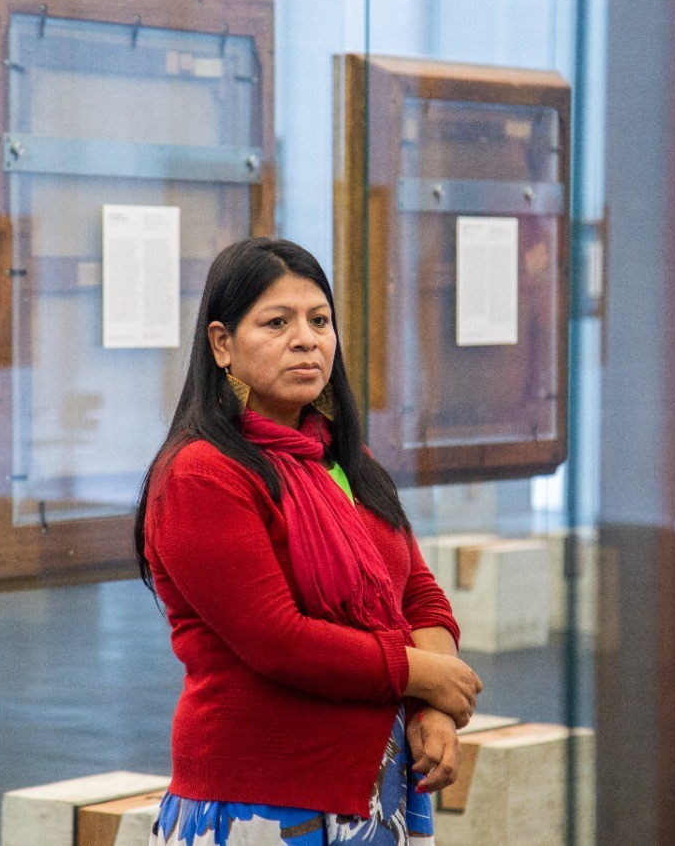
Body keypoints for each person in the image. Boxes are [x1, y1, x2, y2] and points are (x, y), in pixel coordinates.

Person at [134, 237, 483, 846]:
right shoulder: (200, 473)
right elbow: (278, 639)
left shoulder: (344, 460)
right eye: (277, 322)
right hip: (264, 797)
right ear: (222, 344)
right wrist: (422, 675)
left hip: (378, 789)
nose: (307, 339)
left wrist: (433, 709)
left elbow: (419, 595)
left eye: (319, 321)